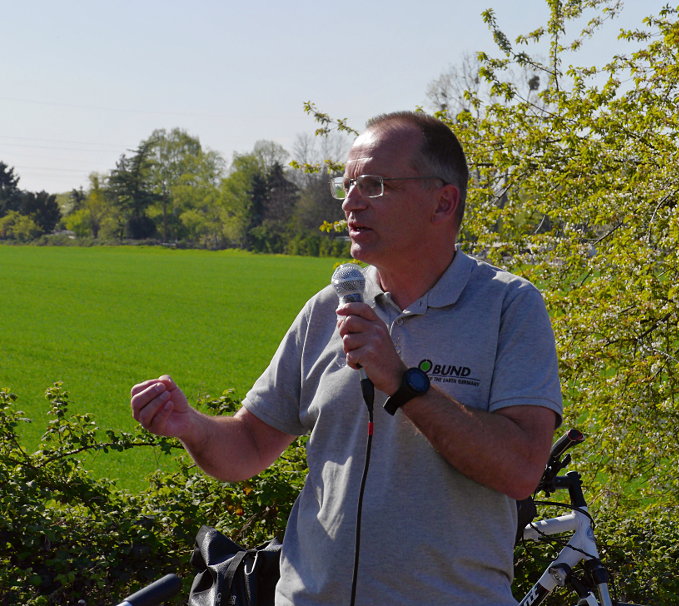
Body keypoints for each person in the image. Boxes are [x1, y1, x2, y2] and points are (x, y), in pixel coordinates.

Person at [131, 111, 562, 605]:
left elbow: (521, 470)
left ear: (444, 202)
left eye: (376, 185)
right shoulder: (327, 309)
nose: (351, 202)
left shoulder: (508, 306)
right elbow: (248, 445)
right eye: (349, 184)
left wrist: (402, 382)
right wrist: (191, 425)